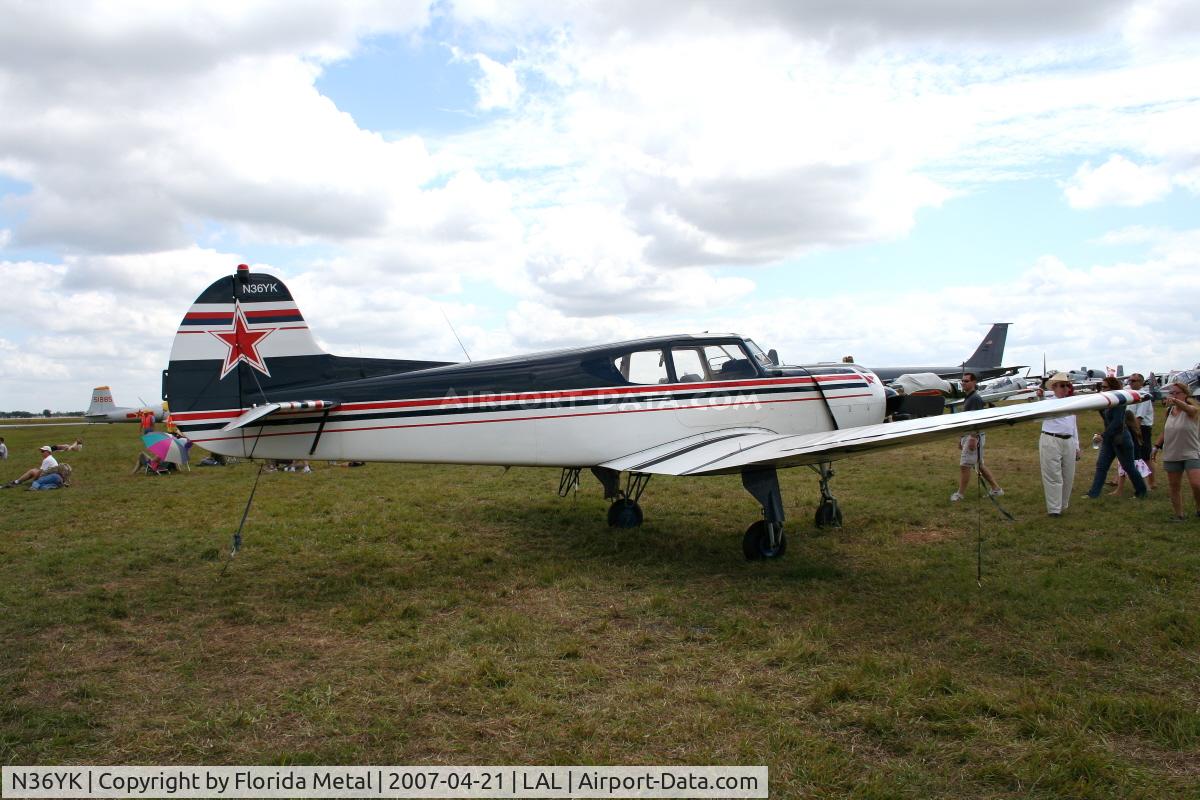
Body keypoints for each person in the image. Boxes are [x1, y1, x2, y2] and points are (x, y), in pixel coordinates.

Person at [1086, 376, 1148, 499]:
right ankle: (1094, 493)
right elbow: (1107, 421)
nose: (1102, 390)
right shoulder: (1106, 402)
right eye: (1101, 387)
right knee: (1101, 465)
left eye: (1104, 387)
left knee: (1128, 467)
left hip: (1121, 438)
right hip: (1110, 438)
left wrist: (1103, 436)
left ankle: (1141, 491)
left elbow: (1117, 422)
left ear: (1112, 388)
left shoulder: (1119, 402)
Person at [951, 372, 1003, 501]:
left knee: (965, 465)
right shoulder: (968, 397)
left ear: (974, 383)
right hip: (968, 435)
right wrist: (961, 439)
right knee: (979, 465)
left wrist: (973, 438)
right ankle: (996, 489)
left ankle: (960, 494)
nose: (963, 383)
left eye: (966, 381)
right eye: (962, 381)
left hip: (974, 436)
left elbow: (977, 421)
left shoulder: (975, 399)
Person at [1153, 380, 1200, 521]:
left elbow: (1189, 410)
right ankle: (1179, 515)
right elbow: (1166, 431)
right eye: (1171, 393)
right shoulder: (1169, 411)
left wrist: (1175, 401)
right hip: (1172, 453)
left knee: (1196, 484)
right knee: (1174, 486)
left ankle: (1199, 508)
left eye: (1176, 393)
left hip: (1191, 452)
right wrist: (1156, 446)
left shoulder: (1192, 409)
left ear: (1185, 394)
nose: (1173, 395)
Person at [1038, 372, 1079, 516]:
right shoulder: (1048, 401)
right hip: (1050, 439)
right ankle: (1054, 509)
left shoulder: (1072, 403)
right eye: (1062, 385)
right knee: (1053, 475)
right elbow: (1041, 406)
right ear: (1054, 387)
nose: (1066, 388)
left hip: (1069, 441)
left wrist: (1077, 446)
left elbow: (1074, 426)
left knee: (1068, 475)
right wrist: (1041, 395)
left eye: (1067, 385)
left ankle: (1063, 505)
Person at [1126, 373, 1159, 489]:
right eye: (1130, 380)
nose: (1131, 383)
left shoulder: (1144, 396)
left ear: (1141, 382)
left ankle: (1152, 482)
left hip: (1142, 429)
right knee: (1134, 456)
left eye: (1134, 381)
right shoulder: (1130, 395)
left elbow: (1139, 418)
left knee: (1145, 456)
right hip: (1132, 427)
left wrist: (1135, 431)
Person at [1110, 411, 1151, 496]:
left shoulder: (1126, 430)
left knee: (1122, 474)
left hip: (1129, 456)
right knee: (1142, 474)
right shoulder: (1135, 429)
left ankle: (1119, 490)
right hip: (1138, 457)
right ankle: (1147, 488)